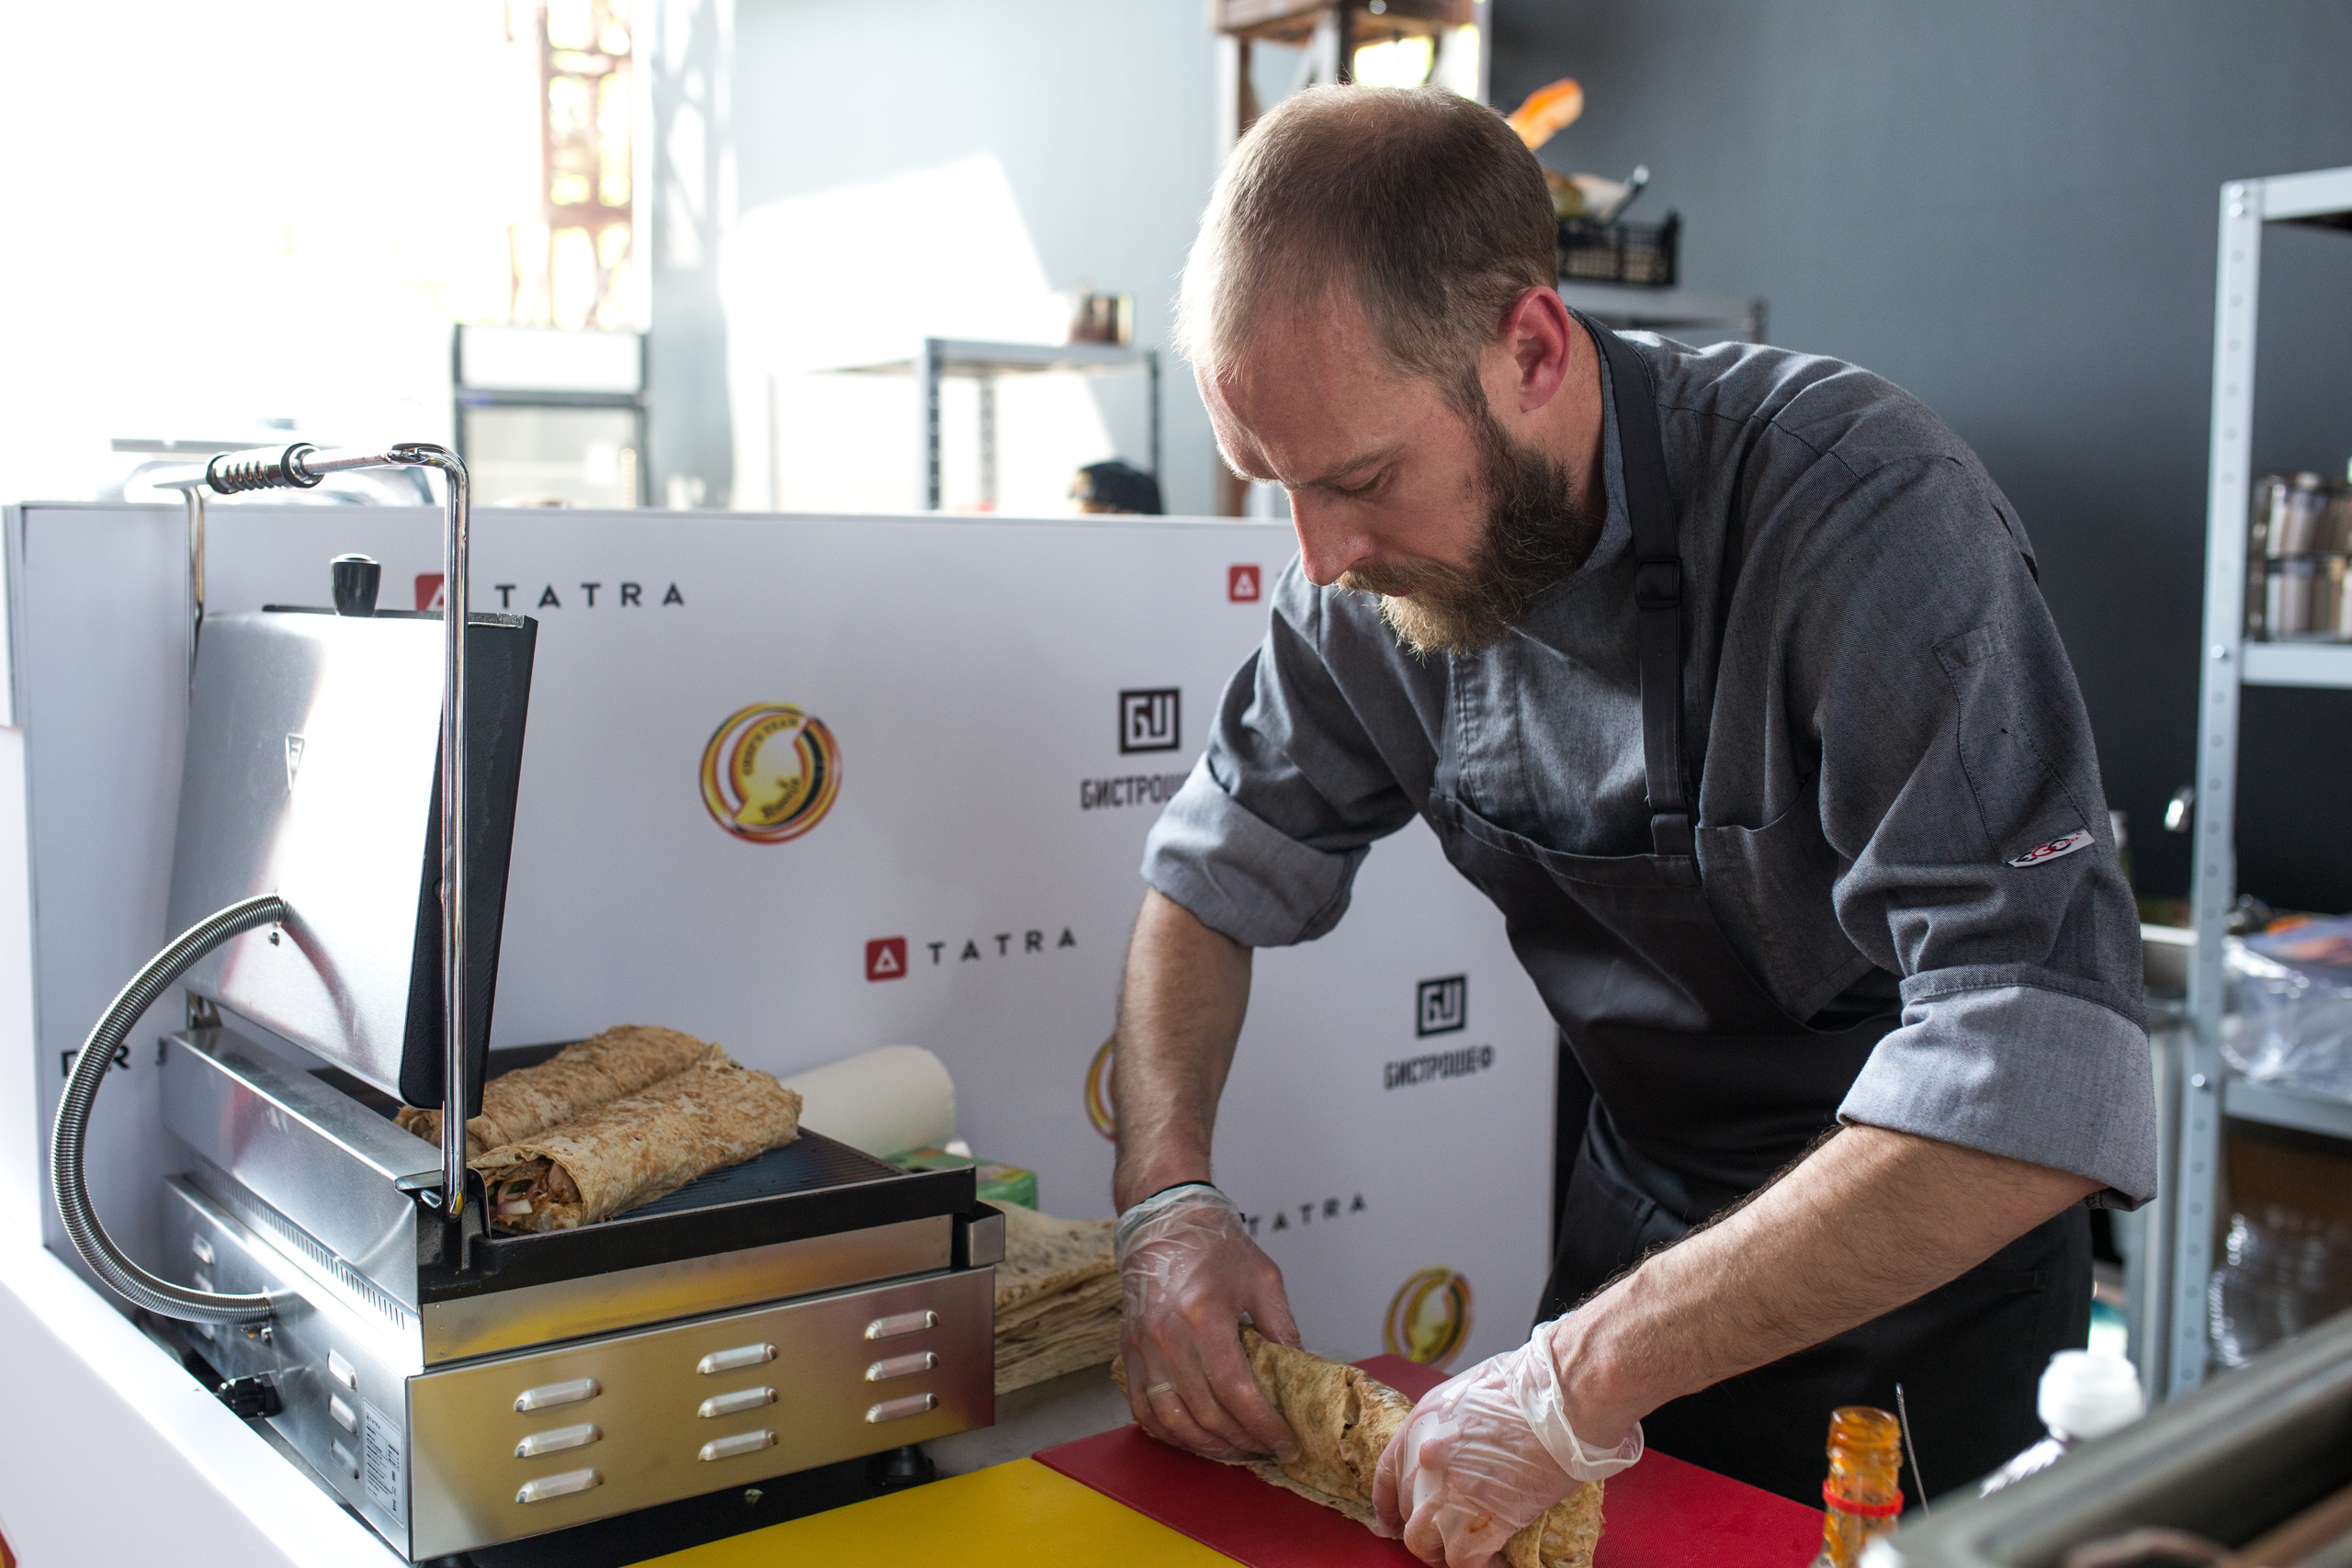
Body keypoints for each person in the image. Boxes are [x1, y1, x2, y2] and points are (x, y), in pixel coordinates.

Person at [1111, 84, 2154, 1568]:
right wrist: (1170, 1201)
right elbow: (1202, 889)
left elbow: (2038, 1075)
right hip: (1627, 1261)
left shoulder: (1860, 512)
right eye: (1275, 488)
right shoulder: (1358, 587)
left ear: (1532, 349)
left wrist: (1569, 1378)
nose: (1321, 557)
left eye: (1356, 481)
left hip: (1909, 1322)